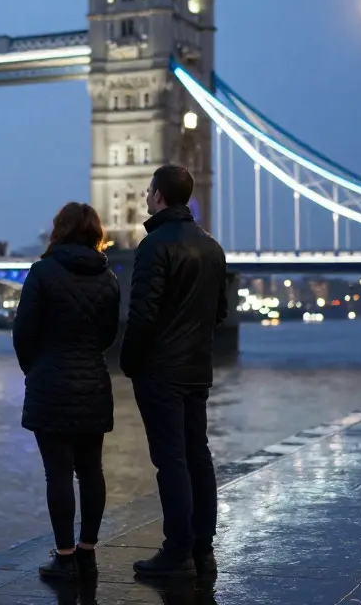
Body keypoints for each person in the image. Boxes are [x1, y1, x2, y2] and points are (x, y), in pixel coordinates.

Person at [120, 165, 228, 578]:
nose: (147, 197)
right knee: (198, 455)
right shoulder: (212, 247)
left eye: (149, 191)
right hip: (197, 369)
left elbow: (142, 316)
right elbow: (219, 313)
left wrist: (130, 362)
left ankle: (176, 550)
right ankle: (204, 548)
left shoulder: (153, 247)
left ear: (160, 195)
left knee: (171, 461)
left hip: (161, 372)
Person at [13, 202, 122, 581]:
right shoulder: (108, 278)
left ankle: (65, 556)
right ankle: (88, 551)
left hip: (51, 381)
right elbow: (109, 335)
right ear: (95, 232)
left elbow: (23, 332)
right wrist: (88, 357)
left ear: (58, 230)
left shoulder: (42, 272)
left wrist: (37, 368)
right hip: (94, 380)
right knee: (92, 470)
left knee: (57, 474)